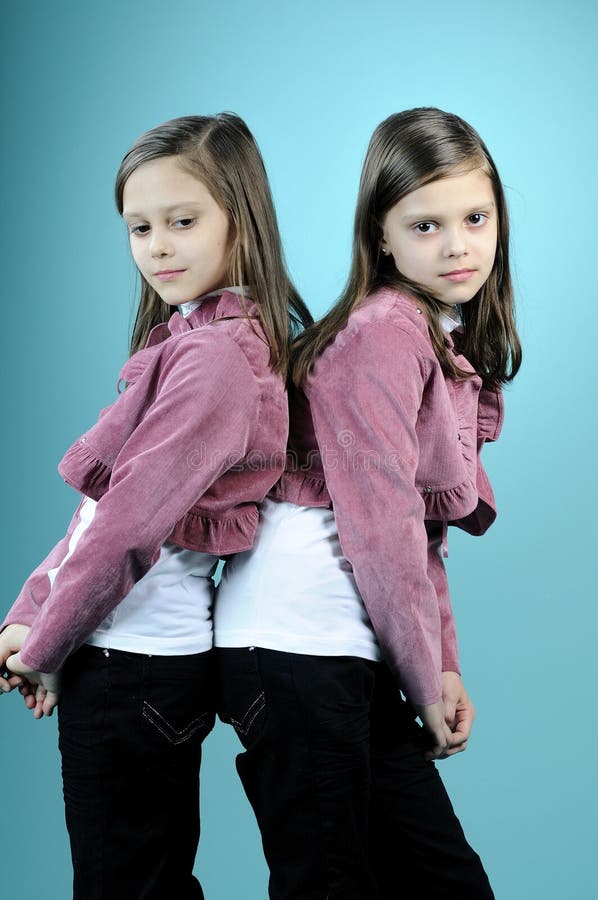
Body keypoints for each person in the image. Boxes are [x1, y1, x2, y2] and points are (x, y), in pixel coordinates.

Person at [0, 112, 311, 900]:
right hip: (123, 656)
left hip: (130, 666)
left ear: (241, 221)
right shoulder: (196, 342)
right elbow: (95, 516)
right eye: (139, 227)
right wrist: (36, 614)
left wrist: (45, 645)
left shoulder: (215, 361)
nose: (158, 247)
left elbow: (128, 527)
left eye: (182, 221)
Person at [214, 106, 522, 899]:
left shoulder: (430, 335)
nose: (457, 244)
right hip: (293, 646)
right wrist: (425, 679)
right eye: (425, 224)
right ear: (381, 236)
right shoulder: (384, 330)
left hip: (342, 650)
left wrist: (441, 663)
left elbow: (420, 537)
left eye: (475, 217)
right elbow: (382, 527)